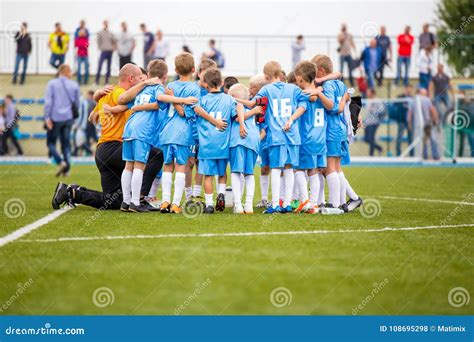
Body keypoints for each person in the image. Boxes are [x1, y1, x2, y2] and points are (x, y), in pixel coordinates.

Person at [51, 64, 163, 211]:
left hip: (103, 151)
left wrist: (99, 97)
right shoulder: (120, 92)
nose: (142, 83)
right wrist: (145, 84)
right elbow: (122, 99)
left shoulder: (107, 94)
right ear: (131, 79)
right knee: (156, 156)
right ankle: (141, 199)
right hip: (114, 146)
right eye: (140, 79)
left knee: (113, 200)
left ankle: (71, 192)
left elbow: (92, 117)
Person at [118, 57, 198, 212]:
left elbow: (124, 102)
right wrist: (183, 100)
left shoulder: (141, 88)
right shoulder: (159, 87)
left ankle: (126, 202)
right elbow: (161, 99)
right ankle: (136, 202)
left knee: (129, 165)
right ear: (165, 75)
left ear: (148, 73)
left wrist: (137, 107)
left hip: (129, 128)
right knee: (139, 166)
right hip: (143, 130)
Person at [237, 61, 307, 214]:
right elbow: (304, 105)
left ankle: (275, 204)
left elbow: (251, 103)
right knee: (289, 168)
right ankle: (287, 204)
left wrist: (233, 99)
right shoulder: (294, 89)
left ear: (267, 77)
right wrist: (291, 119)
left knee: (275, 168)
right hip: (293, 136)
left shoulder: (266, 90)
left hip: (277, 136)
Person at [153, 53, 201, 213]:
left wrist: (172, 98)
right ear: (193, 69)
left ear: (175, 69)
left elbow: (162, 106)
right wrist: (178, 100)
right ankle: (175, 203)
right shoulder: (194, 88)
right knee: (181, 166)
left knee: (167, 166)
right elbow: (184, 113)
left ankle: (165, 201)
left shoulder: (170, 87)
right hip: (182, 133)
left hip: (166, 132)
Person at [193, 69, 237, 213]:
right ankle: (222, 195)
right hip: (223, 143)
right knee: (222, 172)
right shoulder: (229, 99)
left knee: (208, 175)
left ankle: (209, 204)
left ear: (205, 84)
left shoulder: (203, 100)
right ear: (222, 82)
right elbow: (235, 116)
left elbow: (196, 110)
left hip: (207, 145)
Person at [290, 61, 327, 213]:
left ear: (299, 77)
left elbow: (308, 98)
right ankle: (313, 204)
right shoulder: (320, 92)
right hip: (320, 138)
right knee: (314, 171)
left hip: (306, 138)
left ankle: (306, 201)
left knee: (298, 169)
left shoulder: (303, 93)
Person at [185, 59, 218, 204]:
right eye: (206, 74)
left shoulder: (213, 91)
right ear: (199, 74)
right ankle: (187, 195)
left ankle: (197, 194)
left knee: (201, 162)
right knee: (189, 162)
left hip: (205, 132)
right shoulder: (192, 88)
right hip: (190, 130)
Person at [228, 83, 262, 214]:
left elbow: (238, 114)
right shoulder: (254, 106)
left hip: (238, 140)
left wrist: (243, 122)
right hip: (253, 140)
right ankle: (248, 205)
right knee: (249, 173)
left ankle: (238, 204)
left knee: (236, 172)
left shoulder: (236, 104)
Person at [44, 64, 80, 176]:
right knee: (66, 144)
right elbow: (77, 104)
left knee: (50, 142)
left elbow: (48, 102)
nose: (71, 74)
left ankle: (60, 162)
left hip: (55, 118)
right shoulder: (74, 85)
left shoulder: (52, 84)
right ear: (66, 72)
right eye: (70, 71)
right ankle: (66, 170)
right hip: (68, 118)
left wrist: (47, 117)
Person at [408, 88, 440, 160]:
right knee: (432, 138)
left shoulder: (413, 100)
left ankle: (424, 155)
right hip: (428, 122)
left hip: (418, 124)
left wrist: (409, 123)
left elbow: (410, 113)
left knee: (423, 140)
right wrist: (435, 120)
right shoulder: (427, 99)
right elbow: (432, 110)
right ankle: (435, 155)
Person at [393, 84, 414, 156]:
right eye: (408, 88)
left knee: (411, 138)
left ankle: (412, 154)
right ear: (405, 89)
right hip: (401, 120)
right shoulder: (400, 97)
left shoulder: (412, 98)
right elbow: (395, 105)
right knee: (399, 137)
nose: (409, 90)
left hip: (410, 121)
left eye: (410, 88)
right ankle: (398, 154)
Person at [363, 89, 384, 156]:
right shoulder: (368, 101)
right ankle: (379, 148)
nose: (367, 94)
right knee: (366, 139)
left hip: (374, 122)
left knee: (371, 138)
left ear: (372, 93)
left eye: (368, 92)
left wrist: (373, 110)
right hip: (368, 123)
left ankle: (371, 155)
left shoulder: (377, 101)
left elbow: (381, 110)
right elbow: (367, 113)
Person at [96, 20, 116, 85]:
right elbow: (98, 41)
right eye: (105, 23)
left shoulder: (111, 33)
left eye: (107, 23)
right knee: (100, 65)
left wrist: (113, 48)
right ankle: (97, 81)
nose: (106, 24)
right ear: (103, 24)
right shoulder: (100, 32)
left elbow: (114, 41)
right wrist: (100, 47)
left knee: (108, 67)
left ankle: (106, 81)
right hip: (103, 51)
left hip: (110, 52)